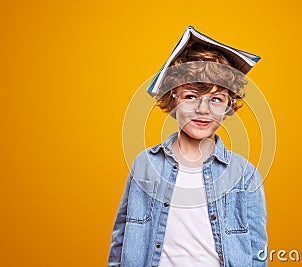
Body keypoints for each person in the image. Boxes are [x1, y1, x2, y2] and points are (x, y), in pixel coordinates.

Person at [108, 42, 268, 266]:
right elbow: (121, 239)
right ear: (173, 98)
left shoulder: (244, 174)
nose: (203, 110)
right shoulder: (145, 164)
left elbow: (257, 249)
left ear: (228, 105)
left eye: (216, 99)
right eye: (191, 96)